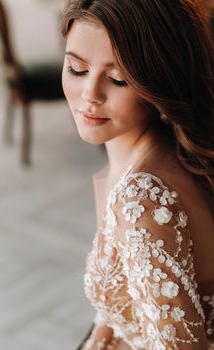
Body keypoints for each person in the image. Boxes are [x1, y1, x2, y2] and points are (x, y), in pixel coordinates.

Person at [61, 0, 214, 349]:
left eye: (118, 79)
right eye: (77, 69)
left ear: (158, 82)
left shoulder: (142, 199)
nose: (90, 96)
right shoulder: (136, 156)